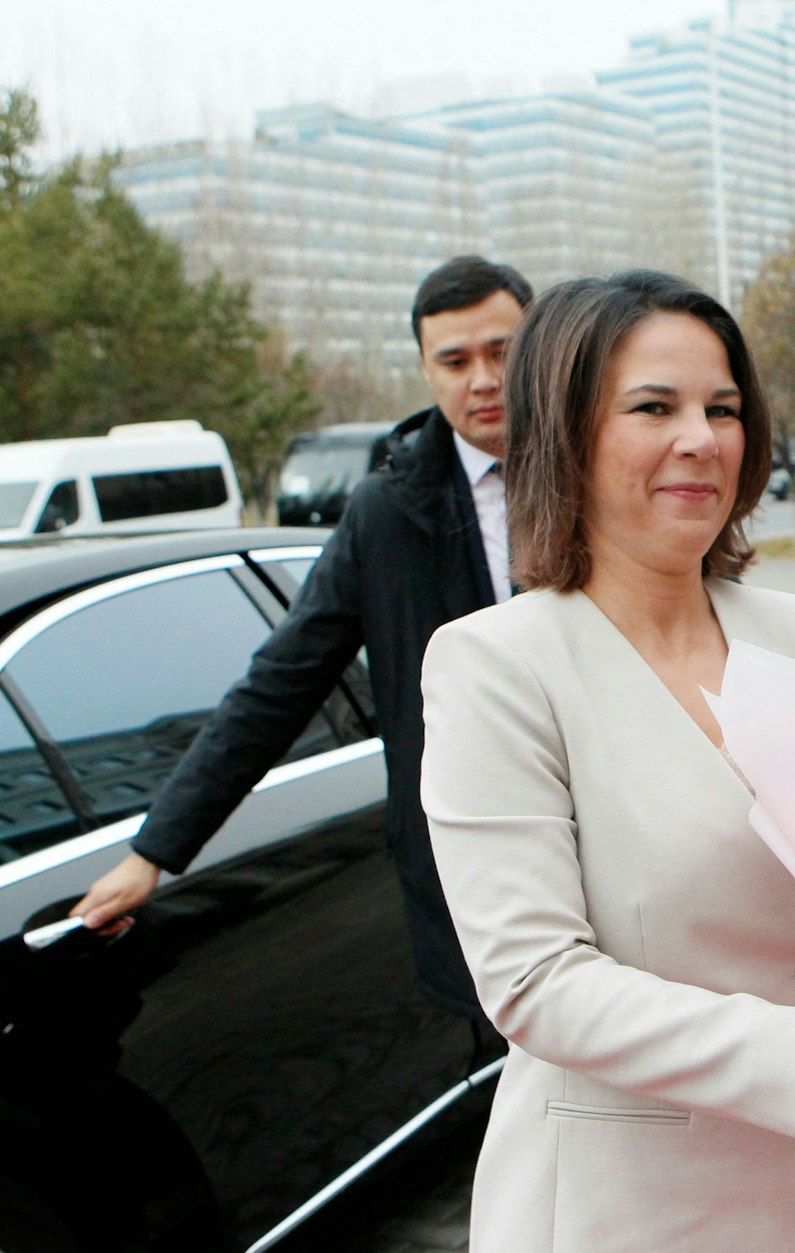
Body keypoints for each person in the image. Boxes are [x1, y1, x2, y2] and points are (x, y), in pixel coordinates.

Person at [418, 270, 795, 1251]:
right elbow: (535, 981)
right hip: (617, 1204)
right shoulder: (496, 662)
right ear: (566, 430)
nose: (701, 438)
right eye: (654, 407)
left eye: (723, 408)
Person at [72, 255, 533, 1023]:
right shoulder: (386, 513)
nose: (482, 380)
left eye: (502, 352)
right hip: (477, 863)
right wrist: (156, 850)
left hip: (619, 832)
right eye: (455, 362)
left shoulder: (605, 469)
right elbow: (281, 682)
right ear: (426, 370)